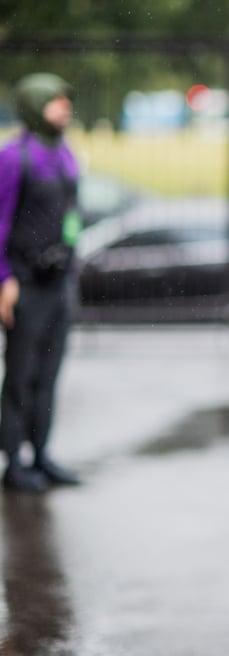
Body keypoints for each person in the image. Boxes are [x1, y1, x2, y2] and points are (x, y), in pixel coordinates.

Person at [0, 73, 82, 492]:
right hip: (25, 284)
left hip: (60, 283)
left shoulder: (64, 152)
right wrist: (4, 278)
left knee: (49, 373)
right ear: (34, 105)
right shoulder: (15, 157)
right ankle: (13, 461)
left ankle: (42, 454)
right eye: (56, 101)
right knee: (20, 374)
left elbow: (70, 216)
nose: (65, 108)